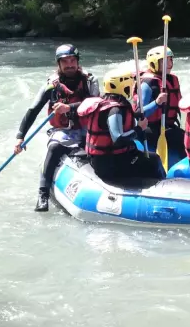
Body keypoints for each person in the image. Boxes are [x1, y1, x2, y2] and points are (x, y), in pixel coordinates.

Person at [14, 44, 100, 212]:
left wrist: (69, 108)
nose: (70, 65)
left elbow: (95, 103)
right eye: (65, 62)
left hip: (87, 128)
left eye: (73, 60)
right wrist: (20, 136)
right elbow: (33, 110)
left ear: (78, 62)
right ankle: (42, 194)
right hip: (63, 131)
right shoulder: (51, 85)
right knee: (54, 147)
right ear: (58, 65)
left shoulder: (90, 81)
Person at [77, 70, 164, 181]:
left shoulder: (108, 102)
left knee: (143, 155)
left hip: (106, 160)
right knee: (154, 160)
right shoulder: (115, 110)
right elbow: (118, 139)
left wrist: (157, 103)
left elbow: (135, 114)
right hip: (110, 164)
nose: (132, 86)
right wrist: (139, 129)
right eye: (129, 84)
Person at [136, 45, 185, 160]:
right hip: (151, 129)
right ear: (154, 63)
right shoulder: (148, 83)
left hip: (168, 125)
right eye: (165, 61)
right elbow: (139, 113)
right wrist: (157, 102)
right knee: (183, 140)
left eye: (170, 60)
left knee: (189, 138)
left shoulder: (172, 80)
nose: (169, 64)